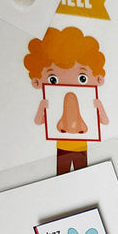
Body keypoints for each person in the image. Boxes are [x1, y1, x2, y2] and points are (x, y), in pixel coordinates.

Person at [24, 26, 109, 174]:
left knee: (82, 174)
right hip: (62, 146)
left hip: (81, 146)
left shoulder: (90, 102)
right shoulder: (51, 103)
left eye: (82, 78)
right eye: (53, 79)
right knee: (62, 174)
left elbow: (105, 121)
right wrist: (42, 107)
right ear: (37, 81)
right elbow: (38, 121)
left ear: (98, 79)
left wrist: (99, 106)